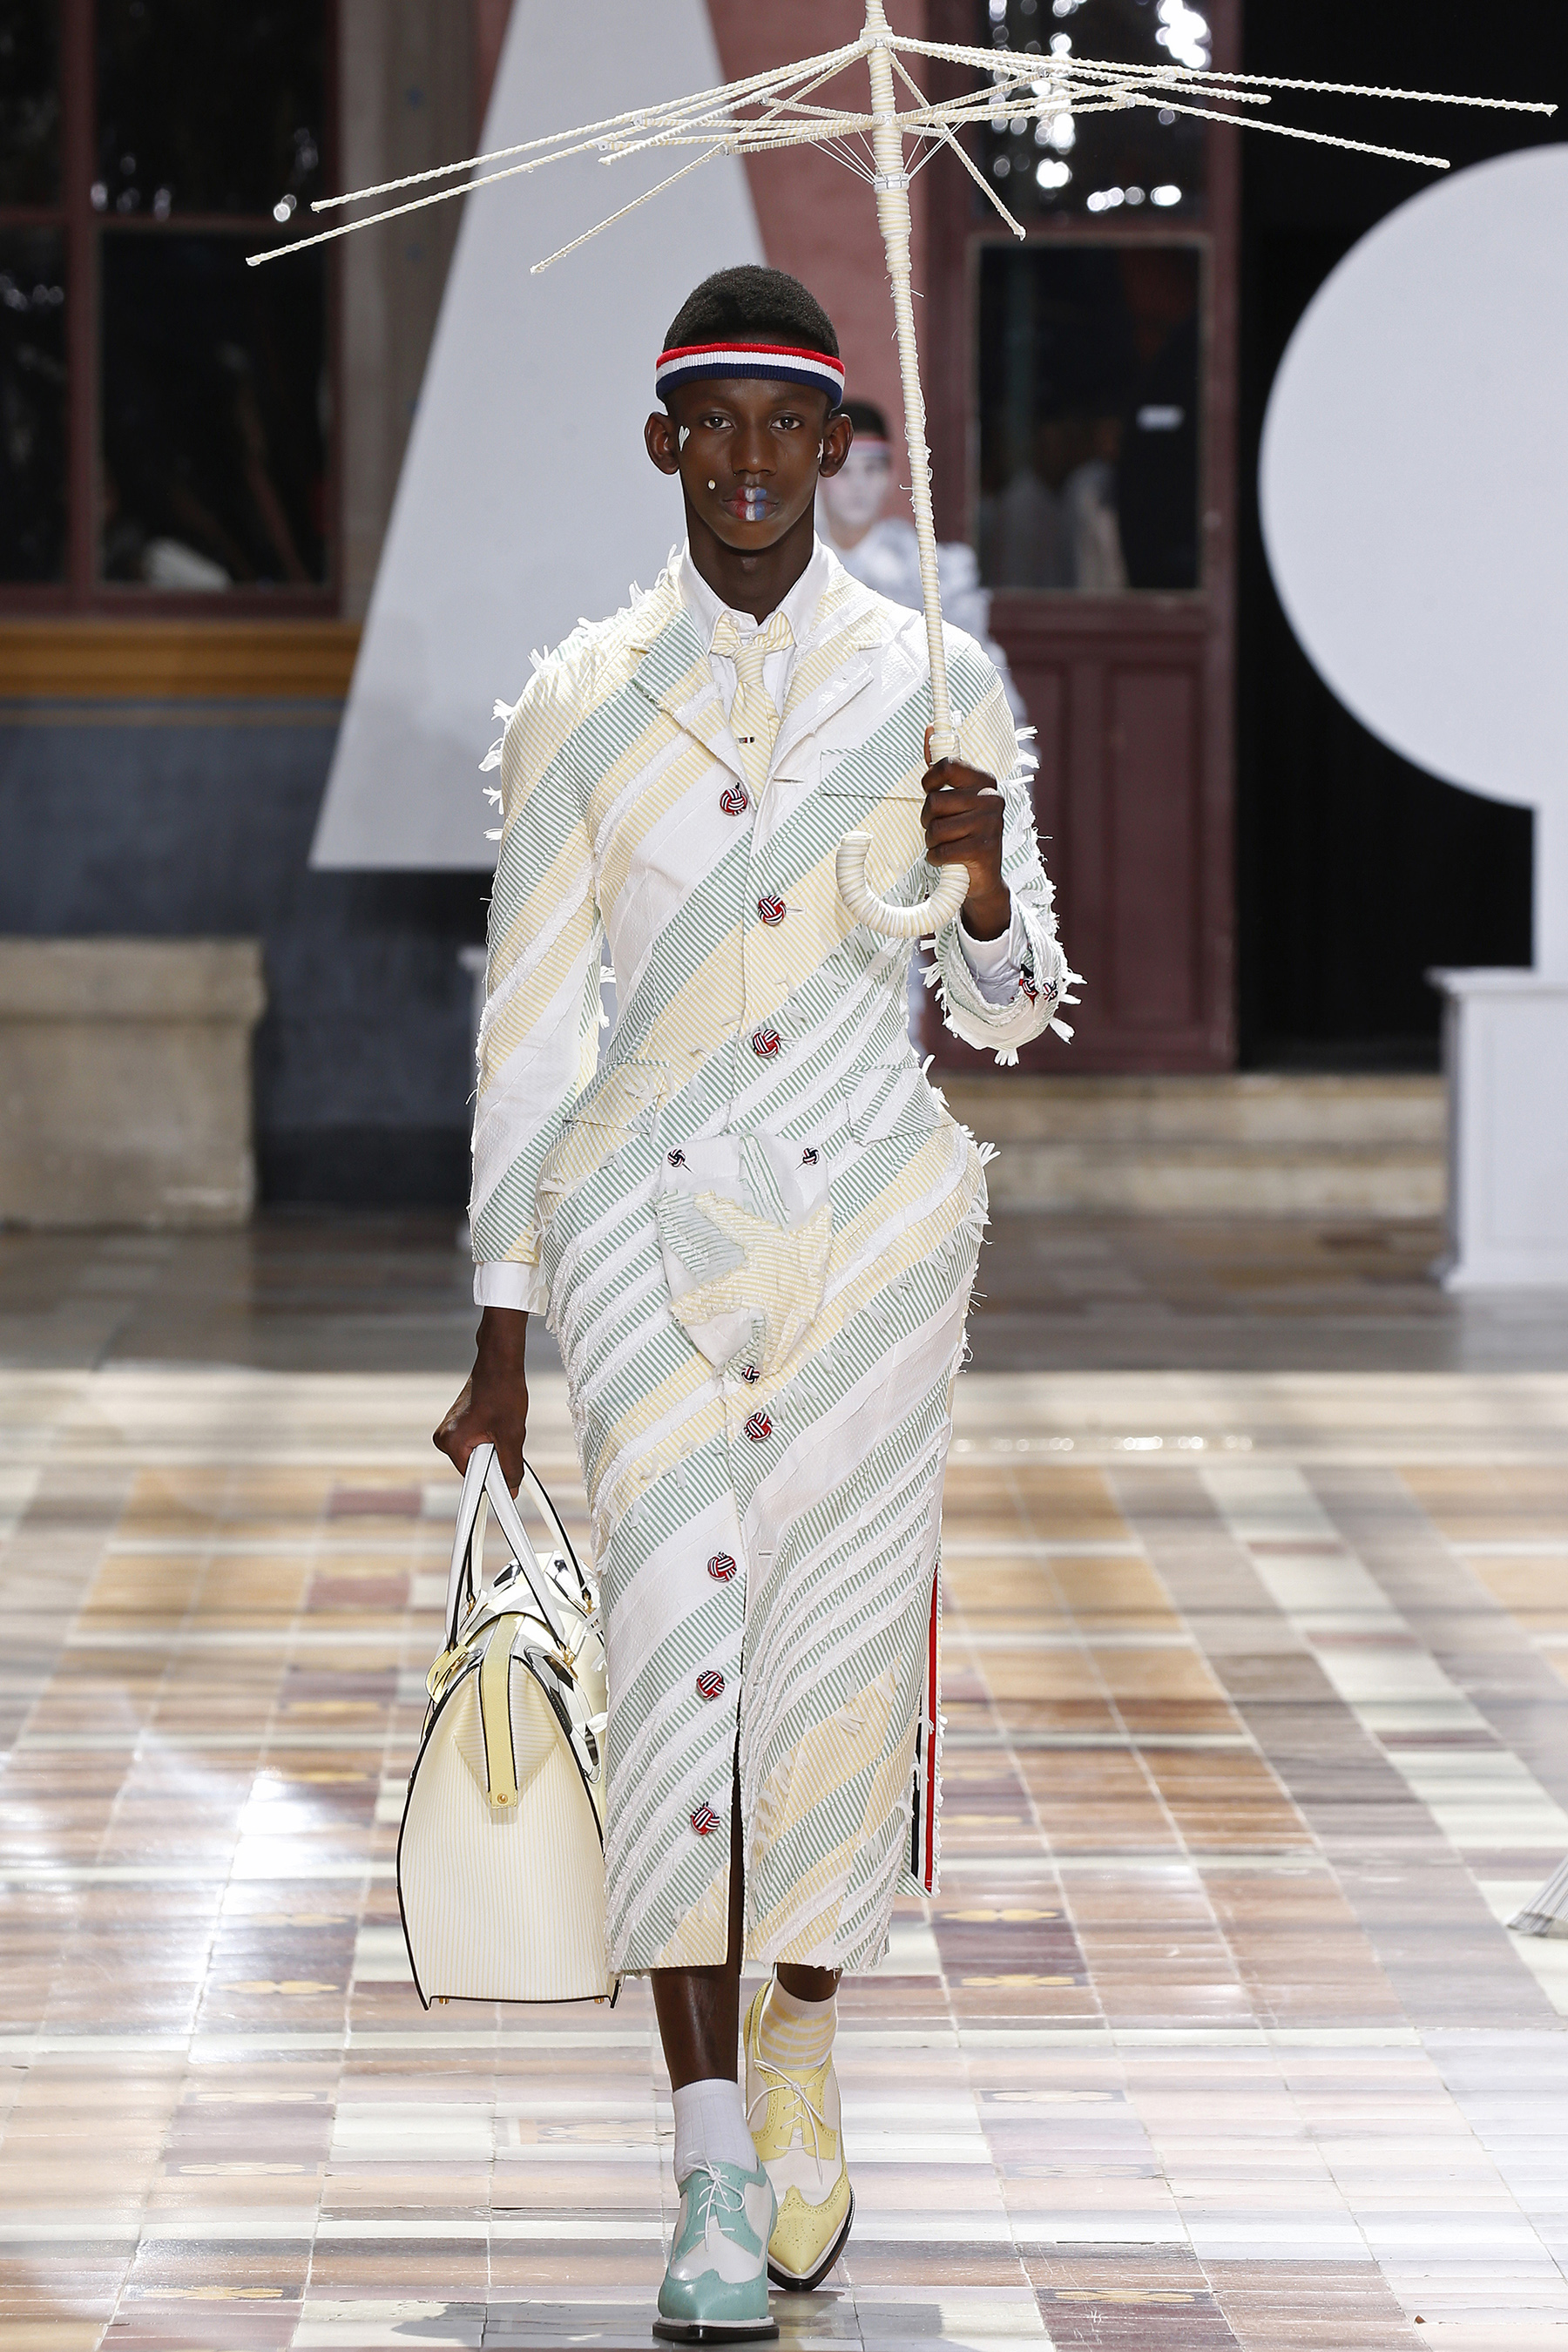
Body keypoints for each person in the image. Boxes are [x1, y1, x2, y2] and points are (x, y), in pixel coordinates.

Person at [436, 265, 1076, 2347]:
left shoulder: (936, 684)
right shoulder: (584, 697)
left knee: (831, 1668)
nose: (746, 462)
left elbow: (1007, 1011)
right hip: (641, 1225)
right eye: (709, 423)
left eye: (784, 425)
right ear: (663, 444)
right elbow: (533, 1031)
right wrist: (502, 1323)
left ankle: (802, 2021)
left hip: (874, 1232)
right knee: (673, 1656)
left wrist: (984, 884)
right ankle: (709, 2147)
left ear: (835, 448)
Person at [818, 397, 1029, 724]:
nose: (859, 486)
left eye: (872, 469)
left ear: (891, 475)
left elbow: (976, 671)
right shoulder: (798, 566)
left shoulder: (929, 571)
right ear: (820, 477)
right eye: (845, 472)